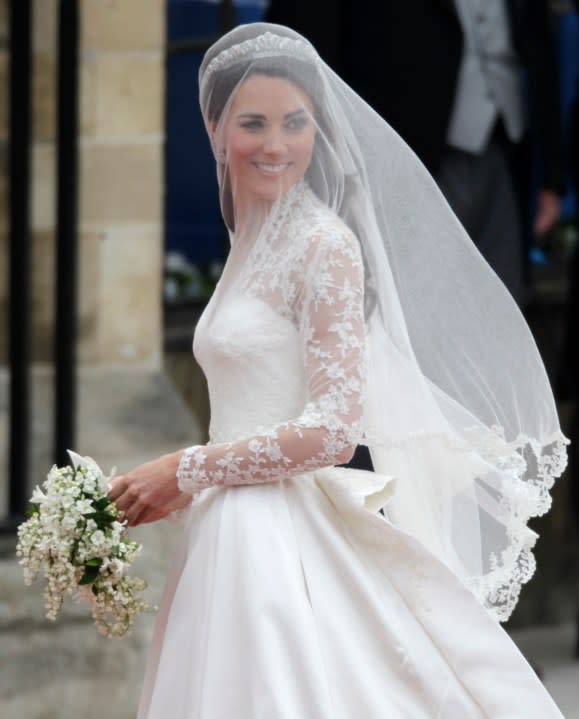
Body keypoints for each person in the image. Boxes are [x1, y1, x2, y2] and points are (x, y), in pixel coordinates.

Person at [108, 23, 569, 718]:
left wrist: (184, 469)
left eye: (295, 123)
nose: (275, 144)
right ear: (215, 127)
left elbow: (332, 429)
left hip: (285, 532)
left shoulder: (322, 243)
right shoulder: (249, 237)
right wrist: (186, 484)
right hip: (227, 525)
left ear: (317, 129)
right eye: (253, 123)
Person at [265, 0, 565, 303]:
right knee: (416, 304)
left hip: (506, 147)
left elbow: (538, 41)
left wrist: (552, 175)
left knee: (500, 303)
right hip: (403, 148)